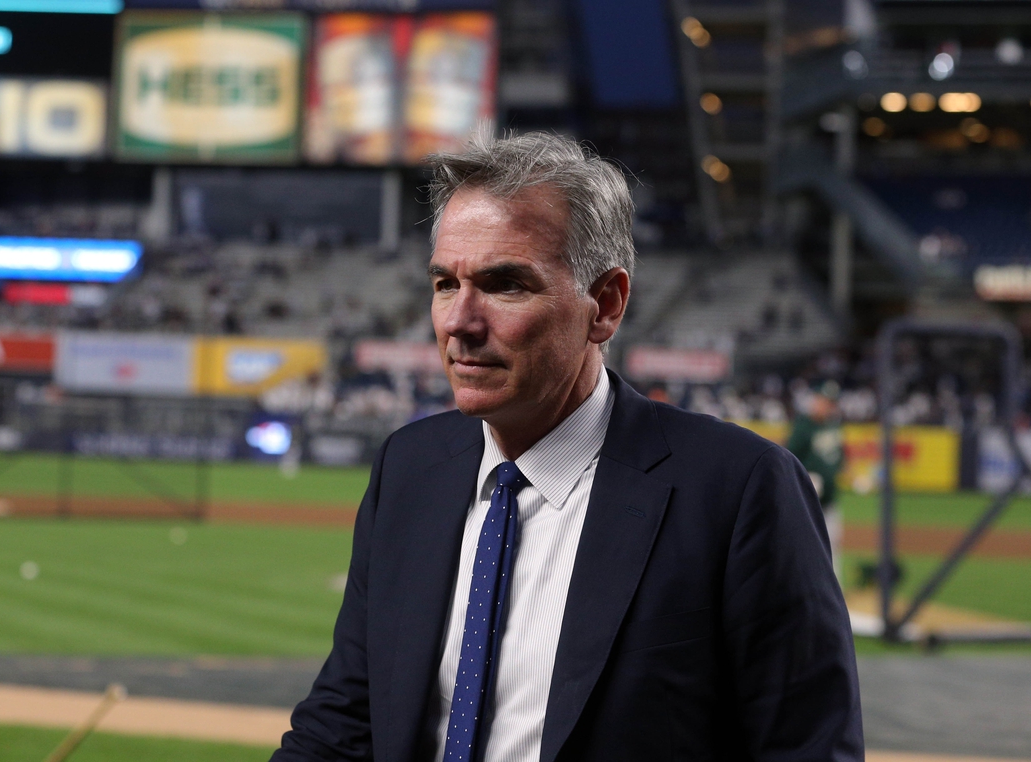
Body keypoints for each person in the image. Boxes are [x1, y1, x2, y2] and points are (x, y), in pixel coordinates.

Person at [271, 133, 863, 762]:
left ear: (604, 306)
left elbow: (807, 750)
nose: (459, 323)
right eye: (445, 284)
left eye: (505, 285)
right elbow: (345, 722)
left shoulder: (739, 490)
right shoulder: (408, 468)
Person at [787, 380, 846, 581]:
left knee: (834, 546)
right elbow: (788, 459)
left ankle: (834, 593)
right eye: (824, 401)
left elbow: (838, 456)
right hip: (807, 503)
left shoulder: (833, 424)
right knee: (803, 548)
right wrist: (805, 477)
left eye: (831, 402)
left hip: (829, 501)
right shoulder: (803, 426)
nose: (827, 406)